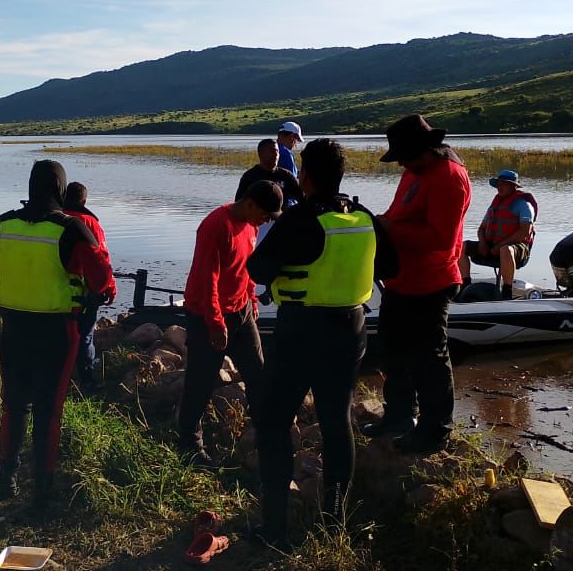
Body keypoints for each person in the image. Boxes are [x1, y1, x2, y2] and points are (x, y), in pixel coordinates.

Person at [247, 139, 398, 547]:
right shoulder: (364, 216)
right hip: (351, 329)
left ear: (306, 176)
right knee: (336, 421)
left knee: (275, 421)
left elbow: (258, 268)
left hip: (301, 330)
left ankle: (274, 528)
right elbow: (391, 265)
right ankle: (335, 522)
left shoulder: (302, 220)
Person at [0, 160, 115, 509]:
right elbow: (105, 285)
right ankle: (42, 492)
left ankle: (6, 479)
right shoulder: (74, 228)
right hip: (57, 332)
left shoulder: (4, 223)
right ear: (62, 189)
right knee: (48, 410)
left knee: (14, 404)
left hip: (14, 328)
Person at [363, 114, 471, 455]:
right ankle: (399, 416)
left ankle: (435, 430)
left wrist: (387, 228)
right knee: (394, 351)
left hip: (432, 281)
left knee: (430, 359)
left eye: (404, 157)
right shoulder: (416, 170)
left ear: (425, 149)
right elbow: (399, 215)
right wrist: (381, 225)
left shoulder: (449, 177)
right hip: (402, 277)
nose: (401, 164)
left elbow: (441, 238)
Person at [176, 180, 284, 466]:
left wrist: (252, 302)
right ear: (250, 204)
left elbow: (246, 268)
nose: (265, 221)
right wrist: (215, 322)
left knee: (258, 376)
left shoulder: (251, 225)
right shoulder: (215, 225)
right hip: (207, 316)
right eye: (264, 215)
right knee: (200, 382)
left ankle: (266, 439)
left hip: (243, 312)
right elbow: (205, 278)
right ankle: (189, 445)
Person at [61, 181, 117, 391]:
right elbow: (102, 259)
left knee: (59, 334)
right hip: (84, 291)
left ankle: (60, 375)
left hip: (55, 291)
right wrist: (109, 287)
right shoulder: (89, 223)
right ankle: (87, 380)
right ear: (84, 200)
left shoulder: (55, 219)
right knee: (85, 335)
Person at [458, 170, 538, 300]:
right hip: (492, 245)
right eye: (498, 184)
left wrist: (500, 246)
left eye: (504, 184)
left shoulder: (524, 204)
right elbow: (481, 229)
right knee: (460, 247)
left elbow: (525, 231)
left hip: (516, 248)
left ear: (513, 186)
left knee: (505, 250)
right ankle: (465, 285)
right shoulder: (495, 205)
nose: (500, 187)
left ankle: (507, 291)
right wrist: (483, 242)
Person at [235, 139, 302, 207]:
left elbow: (302, 199)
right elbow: (238, 204)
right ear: (261, 153)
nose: (276, 154)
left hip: (282, 216)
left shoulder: (287, 175)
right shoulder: (250, 176)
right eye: (272, 151)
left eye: (277, 151)